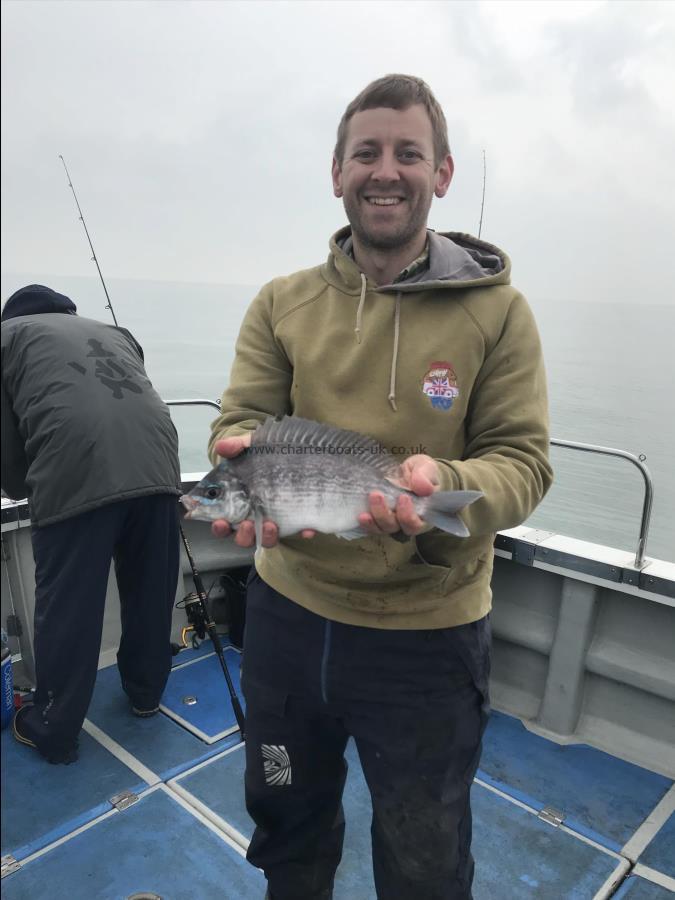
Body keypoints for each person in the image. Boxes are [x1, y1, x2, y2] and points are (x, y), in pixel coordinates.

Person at [208, 75, 553, 900]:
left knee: (424, 854)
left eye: (408, 153)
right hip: (288, 622)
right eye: (366, 152)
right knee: (287, 824)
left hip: (425, 637)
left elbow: (522, 460)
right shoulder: (280, 304)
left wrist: (446, 482)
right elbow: (242, 423)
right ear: (336, 172)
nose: (385, 170)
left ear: (441, 174)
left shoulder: (499, 313)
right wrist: (237, 465)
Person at [1, 284, 182, 764]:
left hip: (74, 468)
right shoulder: (115, 332)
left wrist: (24, 486)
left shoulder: (6, 339)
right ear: (67, 312)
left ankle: (54, 729)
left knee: (69, 607)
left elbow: (6, 443)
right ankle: (146, 695)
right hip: (160, 466)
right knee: (150, 589)